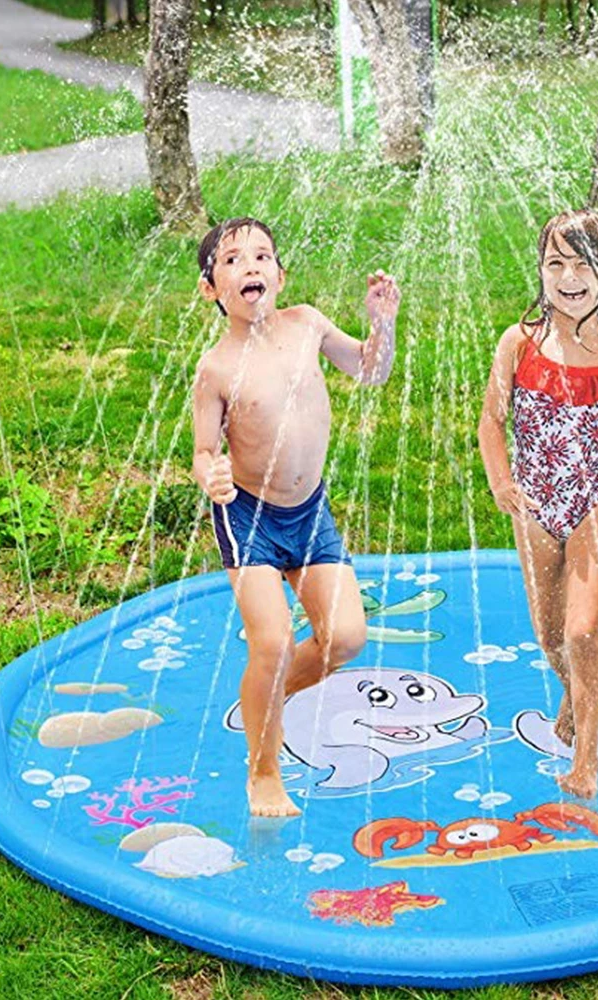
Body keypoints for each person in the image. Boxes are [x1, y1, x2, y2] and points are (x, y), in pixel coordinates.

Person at [192, 217, 400, 817]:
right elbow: (204, 451)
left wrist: (380, 323)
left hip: (308, 512)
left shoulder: (307, 325)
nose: (250, 266)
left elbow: (369, 369)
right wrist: (211, 473)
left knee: (346, 637)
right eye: (233, 260)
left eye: (262, 256)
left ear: (280, 275)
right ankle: (264, 774)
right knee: (275, 641)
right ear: (211, 289)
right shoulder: (216, 369)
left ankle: (265, 697)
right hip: (249, 515)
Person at [478, 209, 598, 800]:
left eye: (582, 264)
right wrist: (501, 482)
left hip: (594, 498)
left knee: (584, 629)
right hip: (534, 502)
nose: (567, 276)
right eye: (554, 263)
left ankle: (587, 760)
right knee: (549, 633)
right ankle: (571, 686)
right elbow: (492, 420)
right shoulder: (520, 343)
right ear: (539, 271)